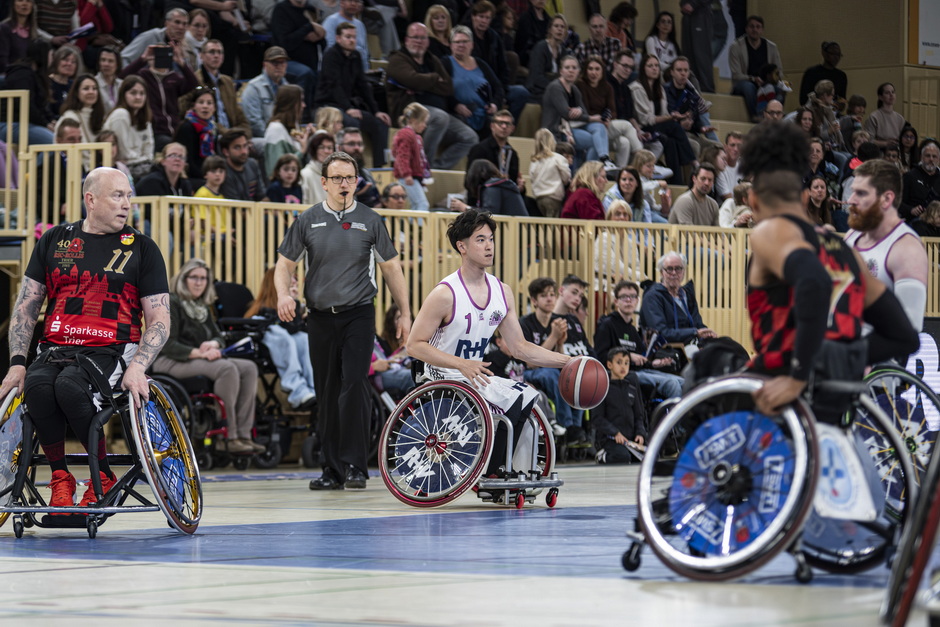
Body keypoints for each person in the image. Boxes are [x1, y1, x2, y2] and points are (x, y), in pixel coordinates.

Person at [0, 167, 170, 510]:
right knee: (37, 388)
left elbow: (160, 319)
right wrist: (17, 364)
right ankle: (60, 478)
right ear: (90, 200)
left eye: (128, 196)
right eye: (117, 195)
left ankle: (102, 474)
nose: (127, 204)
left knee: (70, 387)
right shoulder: (55, 240)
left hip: (113, 348)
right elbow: (26, 308)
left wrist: (138, 366)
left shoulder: (143, 248)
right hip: (56, 347)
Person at [736, 120, 918, 418]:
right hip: (835, 397)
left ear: (753, 200)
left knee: (704, 374)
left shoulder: (769, 232)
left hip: (779, 392)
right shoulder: (844, 250)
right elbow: (905, 337)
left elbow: (815, 281)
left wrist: (799, 375)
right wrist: (843, 357)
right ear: (805, 197)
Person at [275, 151, 411, 491]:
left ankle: (355, 466)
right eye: (337, 178)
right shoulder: (308, 220)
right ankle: (331, 470)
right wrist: (283, 295)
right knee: (327, 391)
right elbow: (284, 264)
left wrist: (406, 313)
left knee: (354, 383)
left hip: (358, 314)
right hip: (320, 317)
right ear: (324, 183)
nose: (344, 184)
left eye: (350, 177)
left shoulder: (370, 220)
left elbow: (391, 268)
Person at [406, 211, 572, 475]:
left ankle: (510, 470)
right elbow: (414, 345)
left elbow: (520, 348)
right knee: (510, 399)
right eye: (480, 239)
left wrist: (569, 362)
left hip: (473, 377)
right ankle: (493, 471)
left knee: (526, 395)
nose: (489, 246)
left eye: (491, 239)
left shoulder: (502, 291)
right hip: (441, 374)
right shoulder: (445, 293)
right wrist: (461, 364)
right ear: (462, 246)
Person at [153, 259, 263, 455]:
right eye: (194, 277)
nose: (199, 283)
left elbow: (218, 336)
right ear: (183, 279)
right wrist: (201, 353)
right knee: (227, 368)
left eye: (203, 278)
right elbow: (168, 344)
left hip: (198, 359)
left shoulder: (201, 306)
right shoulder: (172, 302)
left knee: (249, 368)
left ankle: (244, 435)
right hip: (170, 360)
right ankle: (227, 436)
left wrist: (213, 344)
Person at [845, 159, 928, 332]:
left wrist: (851, 346)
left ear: (886, 199)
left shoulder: (907, 249)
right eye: (853, 192)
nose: (851, 200)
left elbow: (909, 329)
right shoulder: (852, 236)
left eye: (861, 193)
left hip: (870, 348)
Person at [387, 22, 477, 170]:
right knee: (440, 117)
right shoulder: (397, 59)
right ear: (406, 40)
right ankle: (421, 165)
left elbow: (447, 87)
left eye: (423, 38)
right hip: (410, 111)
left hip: (436, 114)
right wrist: (434, 78)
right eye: (415, 37)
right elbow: (412, 80)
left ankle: (437, 168)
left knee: (470, 137)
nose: (419, 41)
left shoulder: (432, 60)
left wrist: (421, 84)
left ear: (428, 41)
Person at [316, 20, 391, 168]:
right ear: (338, 38)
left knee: (380, 123)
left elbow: (363, 86)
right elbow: (334, 86)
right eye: (348, 37)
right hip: (328, 104)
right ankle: (349, 165)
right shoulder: (331, 55)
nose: (352, 40)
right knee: (352, 123)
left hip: (347, 105)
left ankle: (379, 167)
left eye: (354, 37)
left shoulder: (356, 56)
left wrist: (376, 111)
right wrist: (348, 108)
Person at [244, 267, 316, 411]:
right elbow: (280, 328)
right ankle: (298, 391)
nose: (295, 283)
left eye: (295, 280)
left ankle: (313, 389)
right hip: (263, 342)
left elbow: (294, 329)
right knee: (280, 335)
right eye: (292, 280)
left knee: (303, 339)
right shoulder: (260, 311)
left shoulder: (296, 306)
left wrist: (294, 304)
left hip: (285, 339)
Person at [630, 53, 696, 185]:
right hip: (642, 127)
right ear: (643, 68)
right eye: (650, 66)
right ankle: (693, 162)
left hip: (657, 126)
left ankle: (676, 183)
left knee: (671, 142)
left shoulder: (659, 88)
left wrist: (673, 117)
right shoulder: (636, 88)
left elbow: (664, 114)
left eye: (656, 66)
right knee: (674, 126)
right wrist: (671, 117)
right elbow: (645, 119)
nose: (654, 68)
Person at [119, 41, 198, 151]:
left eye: (164, 53)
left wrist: (181, 62)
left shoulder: (174, 77)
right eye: (156, 53)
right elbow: (122, 77)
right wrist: (143, 58)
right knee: (168, 144)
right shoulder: (143, 75)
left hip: (175, 128)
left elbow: (193, 84)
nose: (159, 57)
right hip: (155, 130)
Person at [541, 55, 614, 169]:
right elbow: (566, 113)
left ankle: (604, 159)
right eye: (567, 67)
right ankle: (590, 172)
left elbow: (583, 111)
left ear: (578, 71)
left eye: (574, 68)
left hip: (571, 127)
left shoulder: (574, 89)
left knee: (599, 127)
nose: (571, 70)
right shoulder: (555, 87)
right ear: (561, 71)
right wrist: (592, 118)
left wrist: (579, 110)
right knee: (594, 141)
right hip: (557, 131)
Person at [639, 251, 717, 345]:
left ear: (683, 272)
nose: (674, 273)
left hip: (691, 343)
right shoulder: (652, 297)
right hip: (667, 347)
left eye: (678, 268)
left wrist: (707, 333)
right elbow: (660, 333)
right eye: (669, 269)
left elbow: (698, 324)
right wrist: (694, 332)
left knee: (724, 343)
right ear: (661, 272)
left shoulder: (687, 294)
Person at [577, 55, 642, 169]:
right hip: (588, 124)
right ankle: (643, 159)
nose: (594, 72)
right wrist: (599, 118)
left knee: (624, 142)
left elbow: (613, 111)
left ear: (602, 71)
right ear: (585, 70)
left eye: (597, 69)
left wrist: (608, 118)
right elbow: (585, 110)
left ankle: (619, 174)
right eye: (590, 69)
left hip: (604, 123)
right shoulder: (581, 85)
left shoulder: (607, 87)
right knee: (626, 125)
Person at [442, 25, 502, 138]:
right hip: (460, 114)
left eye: (465, 41)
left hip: (485, 113)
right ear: (451, 45)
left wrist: (495, 104)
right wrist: (455, 105)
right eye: (457, 42)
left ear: (472, 45)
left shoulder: (481, 64)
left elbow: (498, 87)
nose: (461, 45)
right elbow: (441, 88)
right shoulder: (445, 63)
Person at [592, 347, 647, 464]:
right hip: (610, 439)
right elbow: (597, 418)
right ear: (609, 365)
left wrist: (640, 433)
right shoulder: (603, 389)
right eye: (619, 362)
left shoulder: (632, 389)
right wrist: (615, 432)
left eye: (626, 363)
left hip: (630, 439)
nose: (623, 367)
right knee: (622, 457)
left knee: (650, 456)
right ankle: (602, 456)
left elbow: (639, 416)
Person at [728, 15, 785, 121]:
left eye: (758, 27)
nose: (755, 29)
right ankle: (757, 117)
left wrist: (772, 80)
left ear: (762, 30)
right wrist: (753, 79)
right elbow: (736, 74)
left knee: (782, 88)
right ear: (746, 29)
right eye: (752, 26)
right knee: (749, 87)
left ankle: (775, 116)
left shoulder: (771, 47)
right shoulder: (736, 47)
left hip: (766, 83)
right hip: (745, 82)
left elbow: (779, 72)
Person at [270, 0, 323, 109]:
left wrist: (319, 36)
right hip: (285, 61)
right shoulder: (281, 10)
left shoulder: (311, 10)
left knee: (322, 74)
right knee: (305, 73)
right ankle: (299, 114)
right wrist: (308, 27)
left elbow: (322, 41)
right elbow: (285, 43)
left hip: (311, 62)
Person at [193, 39, 251, 137]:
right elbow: (200, 116)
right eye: (212, 52)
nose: (216, 56)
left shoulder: (228, 81)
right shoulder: (195, 80)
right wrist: (229, 134)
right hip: (210, 134)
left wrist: (245, 135)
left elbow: (239, 115)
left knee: (261, 143)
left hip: (233, 135)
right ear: (201, 56)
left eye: (219, 52)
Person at [101, 75, 154, 180]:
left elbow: (149, 152)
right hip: (119, 168)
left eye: (142, 93)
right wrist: (141, 158)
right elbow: (123, 153)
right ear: (123, 95)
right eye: (133, 93)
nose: (138, 97)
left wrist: (142, 159)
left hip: (141, 165)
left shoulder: (145, 118)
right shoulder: (120, 114)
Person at [665, 55, 719, 151]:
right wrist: (680, 124)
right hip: (674, 133)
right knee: (695, 146)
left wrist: (702, 128)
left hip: (692, 134)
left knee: (718, 147)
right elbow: (666, 117)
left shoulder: (692, 92)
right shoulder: (665, 91)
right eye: (679, 70)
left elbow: (696, 118)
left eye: (686, 70)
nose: (683, 73)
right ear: (672, 72)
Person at [240, 46, 291, 138]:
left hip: (283, 136)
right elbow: (254, 122)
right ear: (265, 65)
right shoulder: (254, 88)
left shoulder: (289, 88)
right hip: (259, 137)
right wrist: (274, 136)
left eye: (282, 62)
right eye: (275, 63)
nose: (279, 66)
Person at [263, 84, 312, 177]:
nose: (304, 105)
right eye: (301, 101)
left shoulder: (294, 125)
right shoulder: (275, 130)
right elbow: (276, 169)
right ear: (291, 104)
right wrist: (302, 151)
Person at [173, 85, 218, 184]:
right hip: (191, 176)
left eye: (209, 103)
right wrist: (206, 177)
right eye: (201, 102)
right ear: (194, 106)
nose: (205, 106)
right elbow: (187, 162)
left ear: (214, 107)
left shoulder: (213, 128)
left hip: (208, 174)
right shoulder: (186, 127)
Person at [392, 102, 432, 211]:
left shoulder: (416, 137)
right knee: (422, 204)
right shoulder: (405, 134)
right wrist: (406, 174)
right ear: (414, 120)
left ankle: (412, 223)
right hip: (408, 176)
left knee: (415, 205)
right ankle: (419, 223)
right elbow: (402, 156)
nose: (425, 125)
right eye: (423, 122)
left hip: (414, 176)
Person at [525, 13, 569, 102]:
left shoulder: (563, 51)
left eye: (562, 27)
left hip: (556, 90)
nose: (559, 29)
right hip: (537, 90)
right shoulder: (541, 47)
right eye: (556, 26)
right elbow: (536, 77)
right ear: (550, 30)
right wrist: (556, 87)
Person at [528, 128, 571, 218]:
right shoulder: (557, 158)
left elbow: (532, 178)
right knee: (553, 224)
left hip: (539, 197)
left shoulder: (534, 161)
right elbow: (566, 176)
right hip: (553, 197)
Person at [463, 158, 527, 216]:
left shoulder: (492, 187)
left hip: (515, 224)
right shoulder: (499, 185)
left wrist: (465, 208)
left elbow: (490, 213)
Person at [55, 73, 105, 143]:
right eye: (86, 88)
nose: (91, 92)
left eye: (94, 88)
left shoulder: (99, 115)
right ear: (76, 92)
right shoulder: (70, 116)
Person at [218, 128, 264, 201]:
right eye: (237, 147)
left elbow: (261, 196)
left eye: (245, 146)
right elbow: (235, 205)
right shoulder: (223, 172)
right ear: (226, 152)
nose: (243, 151)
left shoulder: (252, 164)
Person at [799, 41, 847, 110]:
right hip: (814, 112)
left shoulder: (841, 76)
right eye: (833, 54)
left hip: (833, 112)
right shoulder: (811, 73)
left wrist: (838, 105)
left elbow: (842, 100)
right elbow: (803, 100)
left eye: (838, 55)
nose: (836, 57)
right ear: (824, 53)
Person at [901, 139, 940, 223]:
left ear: (939, 160)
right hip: (915, 220)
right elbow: (898, 203)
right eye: (928, 156)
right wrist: (911, 210)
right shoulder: (910, 176)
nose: (931, 159)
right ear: (921, 157)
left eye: (934, 156)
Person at [679, 0, 713, 93]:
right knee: (688, 53)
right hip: (687, 14)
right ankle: (690, 86)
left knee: (701, 54)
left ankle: (706, 89)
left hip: (701, 13)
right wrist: (683, 3)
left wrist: (693, 3)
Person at [0, 0, 39, 76]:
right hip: (9, 76)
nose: (24, 4)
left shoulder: (34, 31)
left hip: (29, 75)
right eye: (20, 0)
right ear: (13, 4)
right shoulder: (4, 28)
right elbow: (2, 60)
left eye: (28, 1)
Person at [864, 83, 906, 149]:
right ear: (880, 97)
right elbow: (868, 140)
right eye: (887, 93)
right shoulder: (874, 117)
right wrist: (885, 143)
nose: (891, 95)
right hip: (878, 151)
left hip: (896, 151)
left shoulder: (900, 118)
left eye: (893, 92)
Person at [633, 149, 672, 219]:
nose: (652, 169)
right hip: (642, 212)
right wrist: (658, 183)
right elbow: (642, 188)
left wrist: (661, 208)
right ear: (639, 166)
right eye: (648, 166)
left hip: (651, 210)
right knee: (666, 224)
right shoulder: (635, 179)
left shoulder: (648, 180)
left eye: (653, 166)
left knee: (672, 214)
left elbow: (651, 204)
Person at [299, 132, 333, 205]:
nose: (326, 151)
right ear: (314, 150)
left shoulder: (335, 175)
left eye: (329, 148)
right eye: (321, 147)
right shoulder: (305, 174)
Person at [49, 44, 83, 115]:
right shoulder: (47, 83)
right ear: (57, 61)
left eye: (73, 62)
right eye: (65, 60)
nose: (69, 64)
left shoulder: (75, 85)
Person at [644, 11, 680, 75]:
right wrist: (672, 69)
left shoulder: (673, 45)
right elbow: (654, 62)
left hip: (671, 73)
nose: (666, 24)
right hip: (656, 72)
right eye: (663, 21)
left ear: (672, 27)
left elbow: (676, 63)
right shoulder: (651, 40)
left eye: (669, 22)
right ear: (657, 25)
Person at [94, 46, 122, 114]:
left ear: (117, 65)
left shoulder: (122, 84)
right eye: (103, 60)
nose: (106, 64)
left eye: (110, 61)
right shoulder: (93, 83)